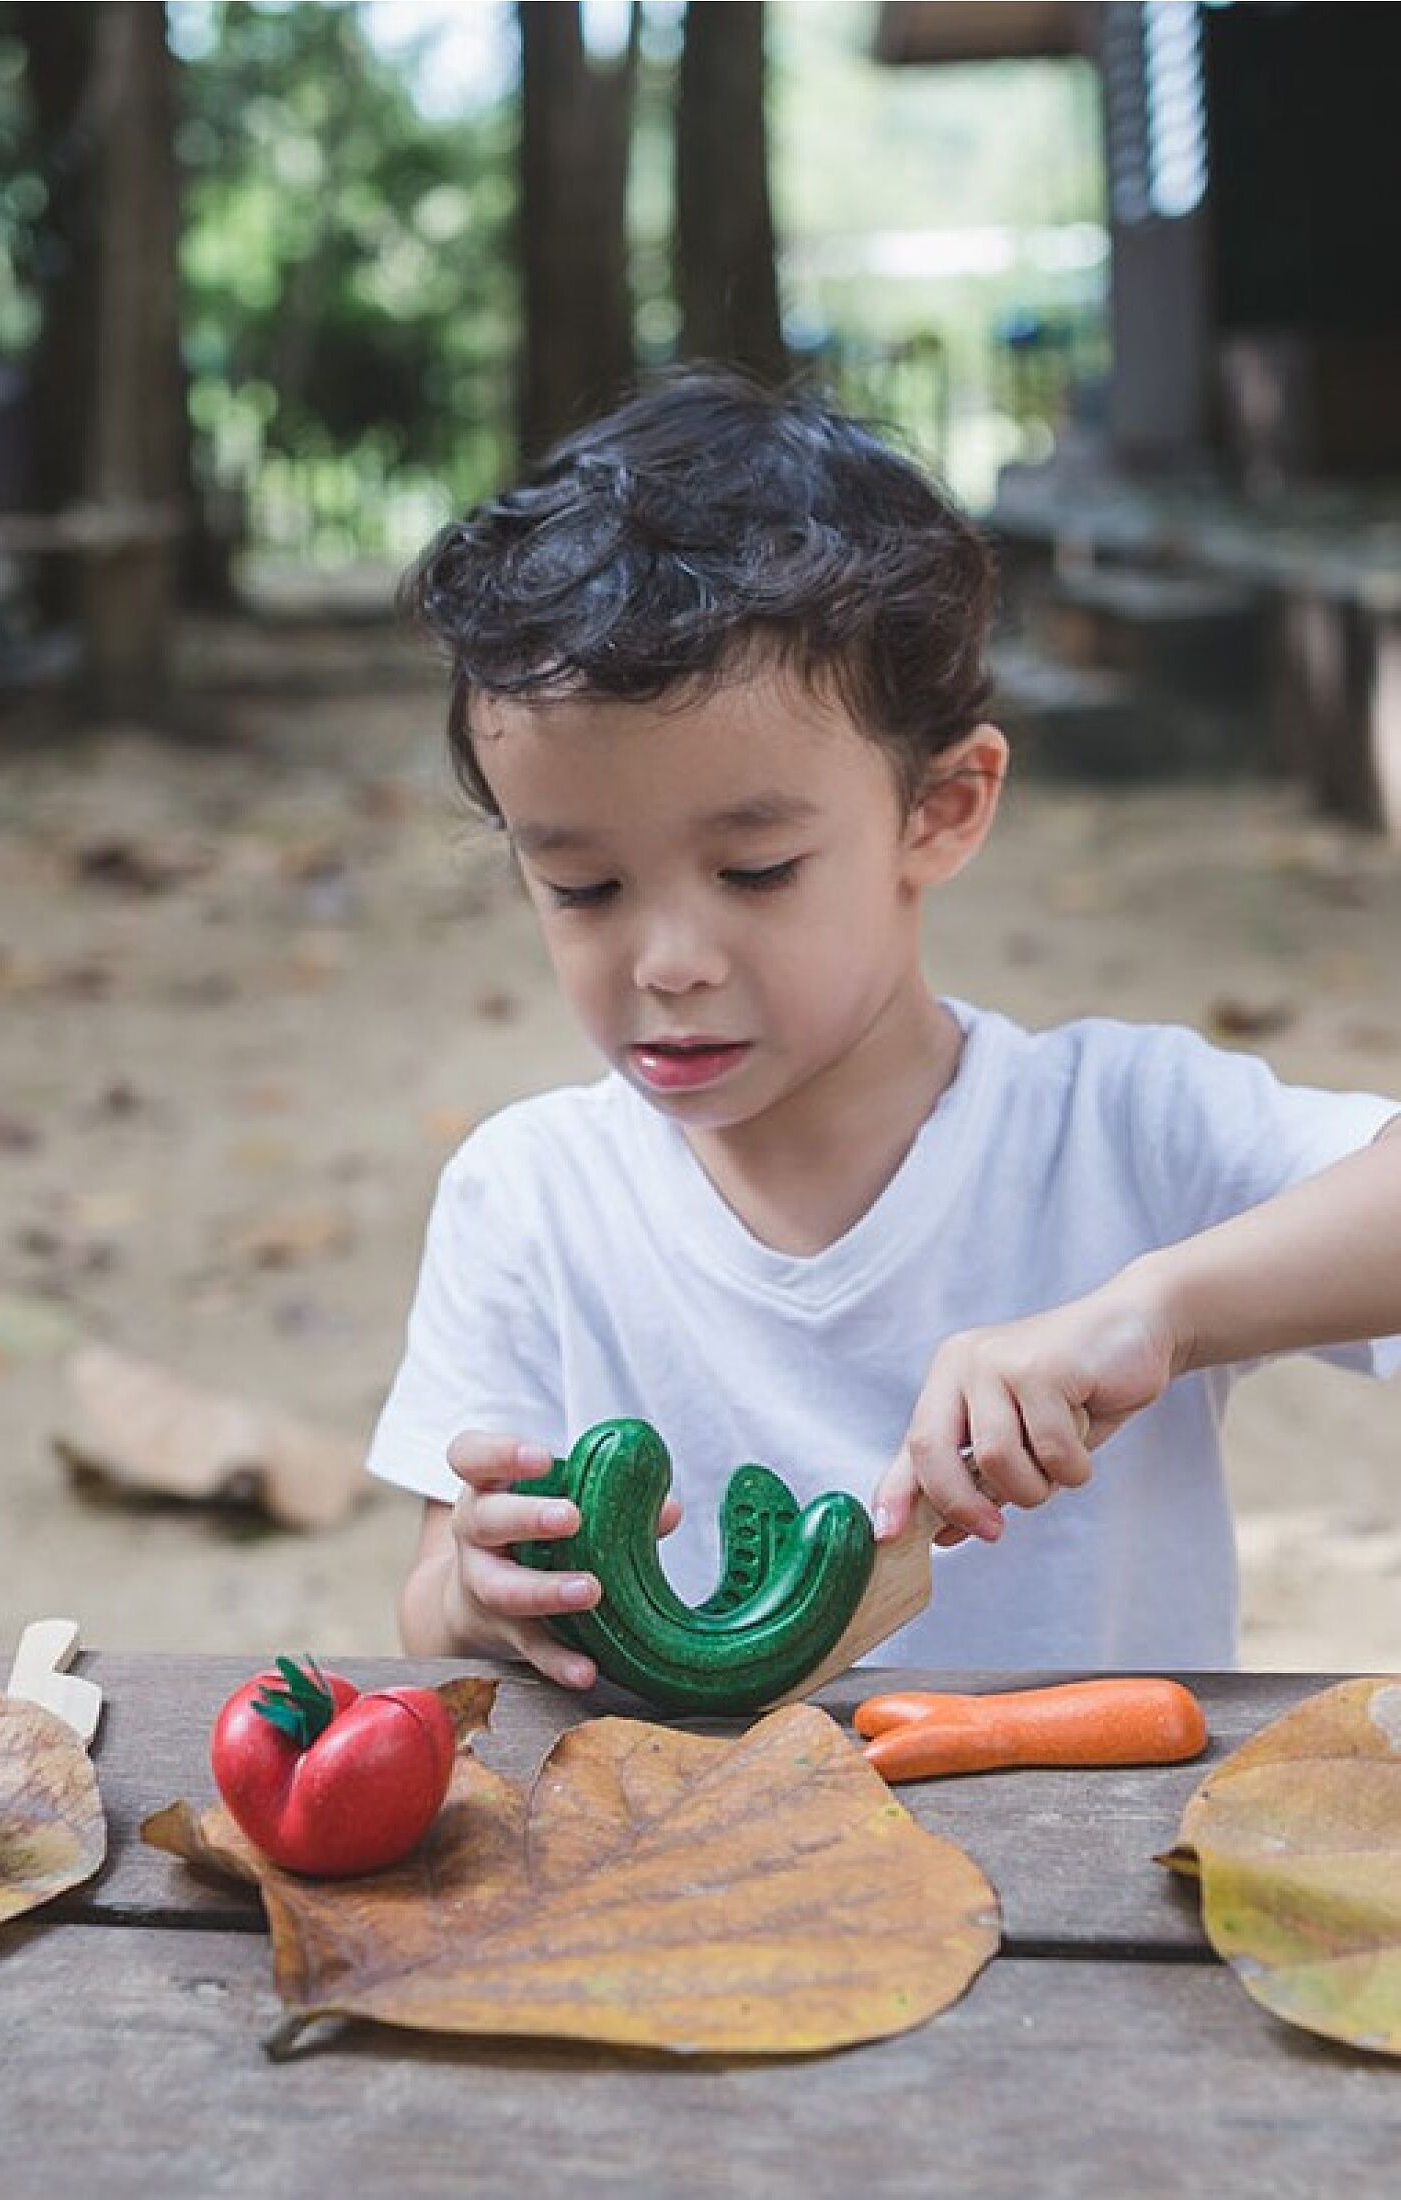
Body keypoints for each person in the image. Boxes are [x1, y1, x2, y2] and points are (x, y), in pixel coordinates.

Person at [364, 367, 1401, 1686]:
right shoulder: (527, 1197)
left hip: (1077, 1883)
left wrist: (1166, 1309)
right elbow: (428, 1598)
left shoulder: (1121, 1135)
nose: (668, 964)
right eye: (582, 887)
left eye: (756, 874)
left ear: (943, 810)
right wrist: (471, 1589)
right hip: (676, 1873)